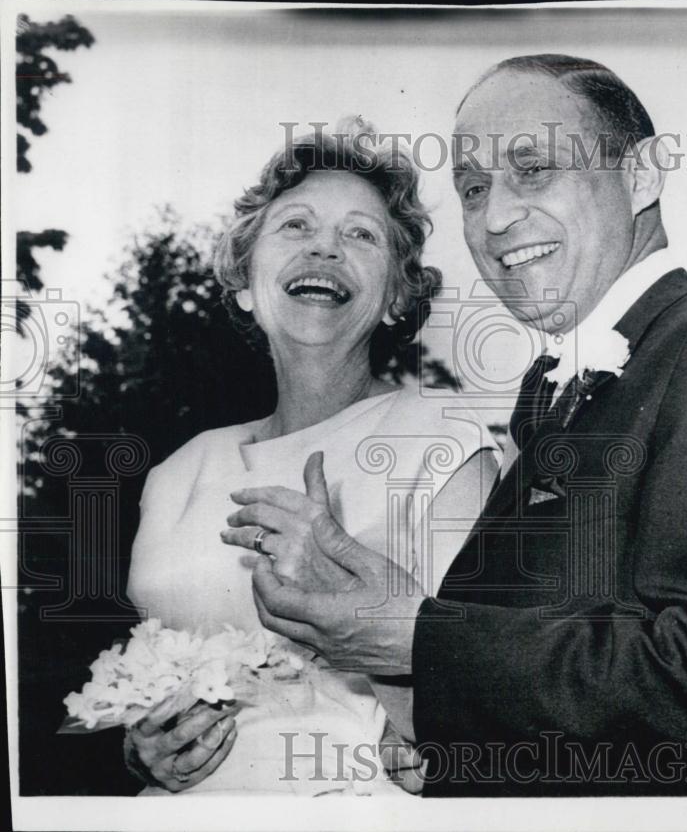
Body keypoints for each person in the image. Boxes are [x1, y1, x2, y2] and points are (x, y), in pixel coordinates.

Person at [236, 55, 687, 796]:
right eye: (472, 188)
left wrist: (419, 636)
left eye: (533, 170)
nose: (494, 219)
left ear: (643, 175)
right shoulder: (549, 401)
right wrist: (423, 717)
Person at [122, 119, 498, 795]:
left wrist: (352, 620)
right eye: (296, 226)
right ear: (244, 280)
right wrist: (141, 745)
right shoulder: (177, 471)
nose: (324, 248)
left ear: (396, 297)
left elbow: (471, 716)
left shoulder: (445, 439)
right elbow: (153, 675)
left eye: (360, 234)